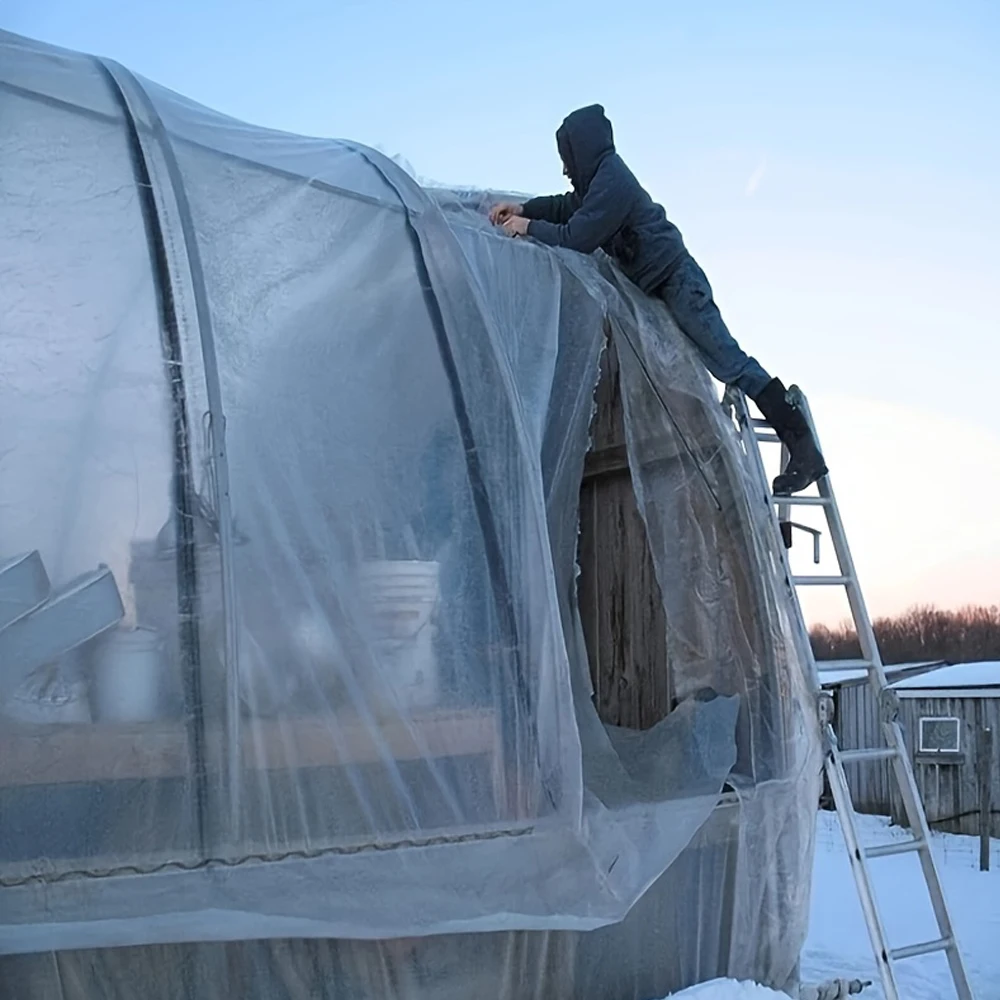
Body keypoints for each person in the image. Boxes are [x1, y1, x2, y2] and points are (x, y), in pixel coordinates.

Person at [489, 104, 827, 497]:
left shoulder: (613, 181)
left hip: (678, 282)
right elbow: (569, 206)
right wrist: (525, 208)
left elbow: (577, 237)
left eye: (568, 159)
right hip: (664, 284)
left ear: (581, 151)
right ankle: (797, 438)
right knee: (724, 363)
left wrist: (527, 227)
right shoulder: (598, 183)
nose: (566, 169)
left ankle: (802, 447)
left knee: (728, 362)